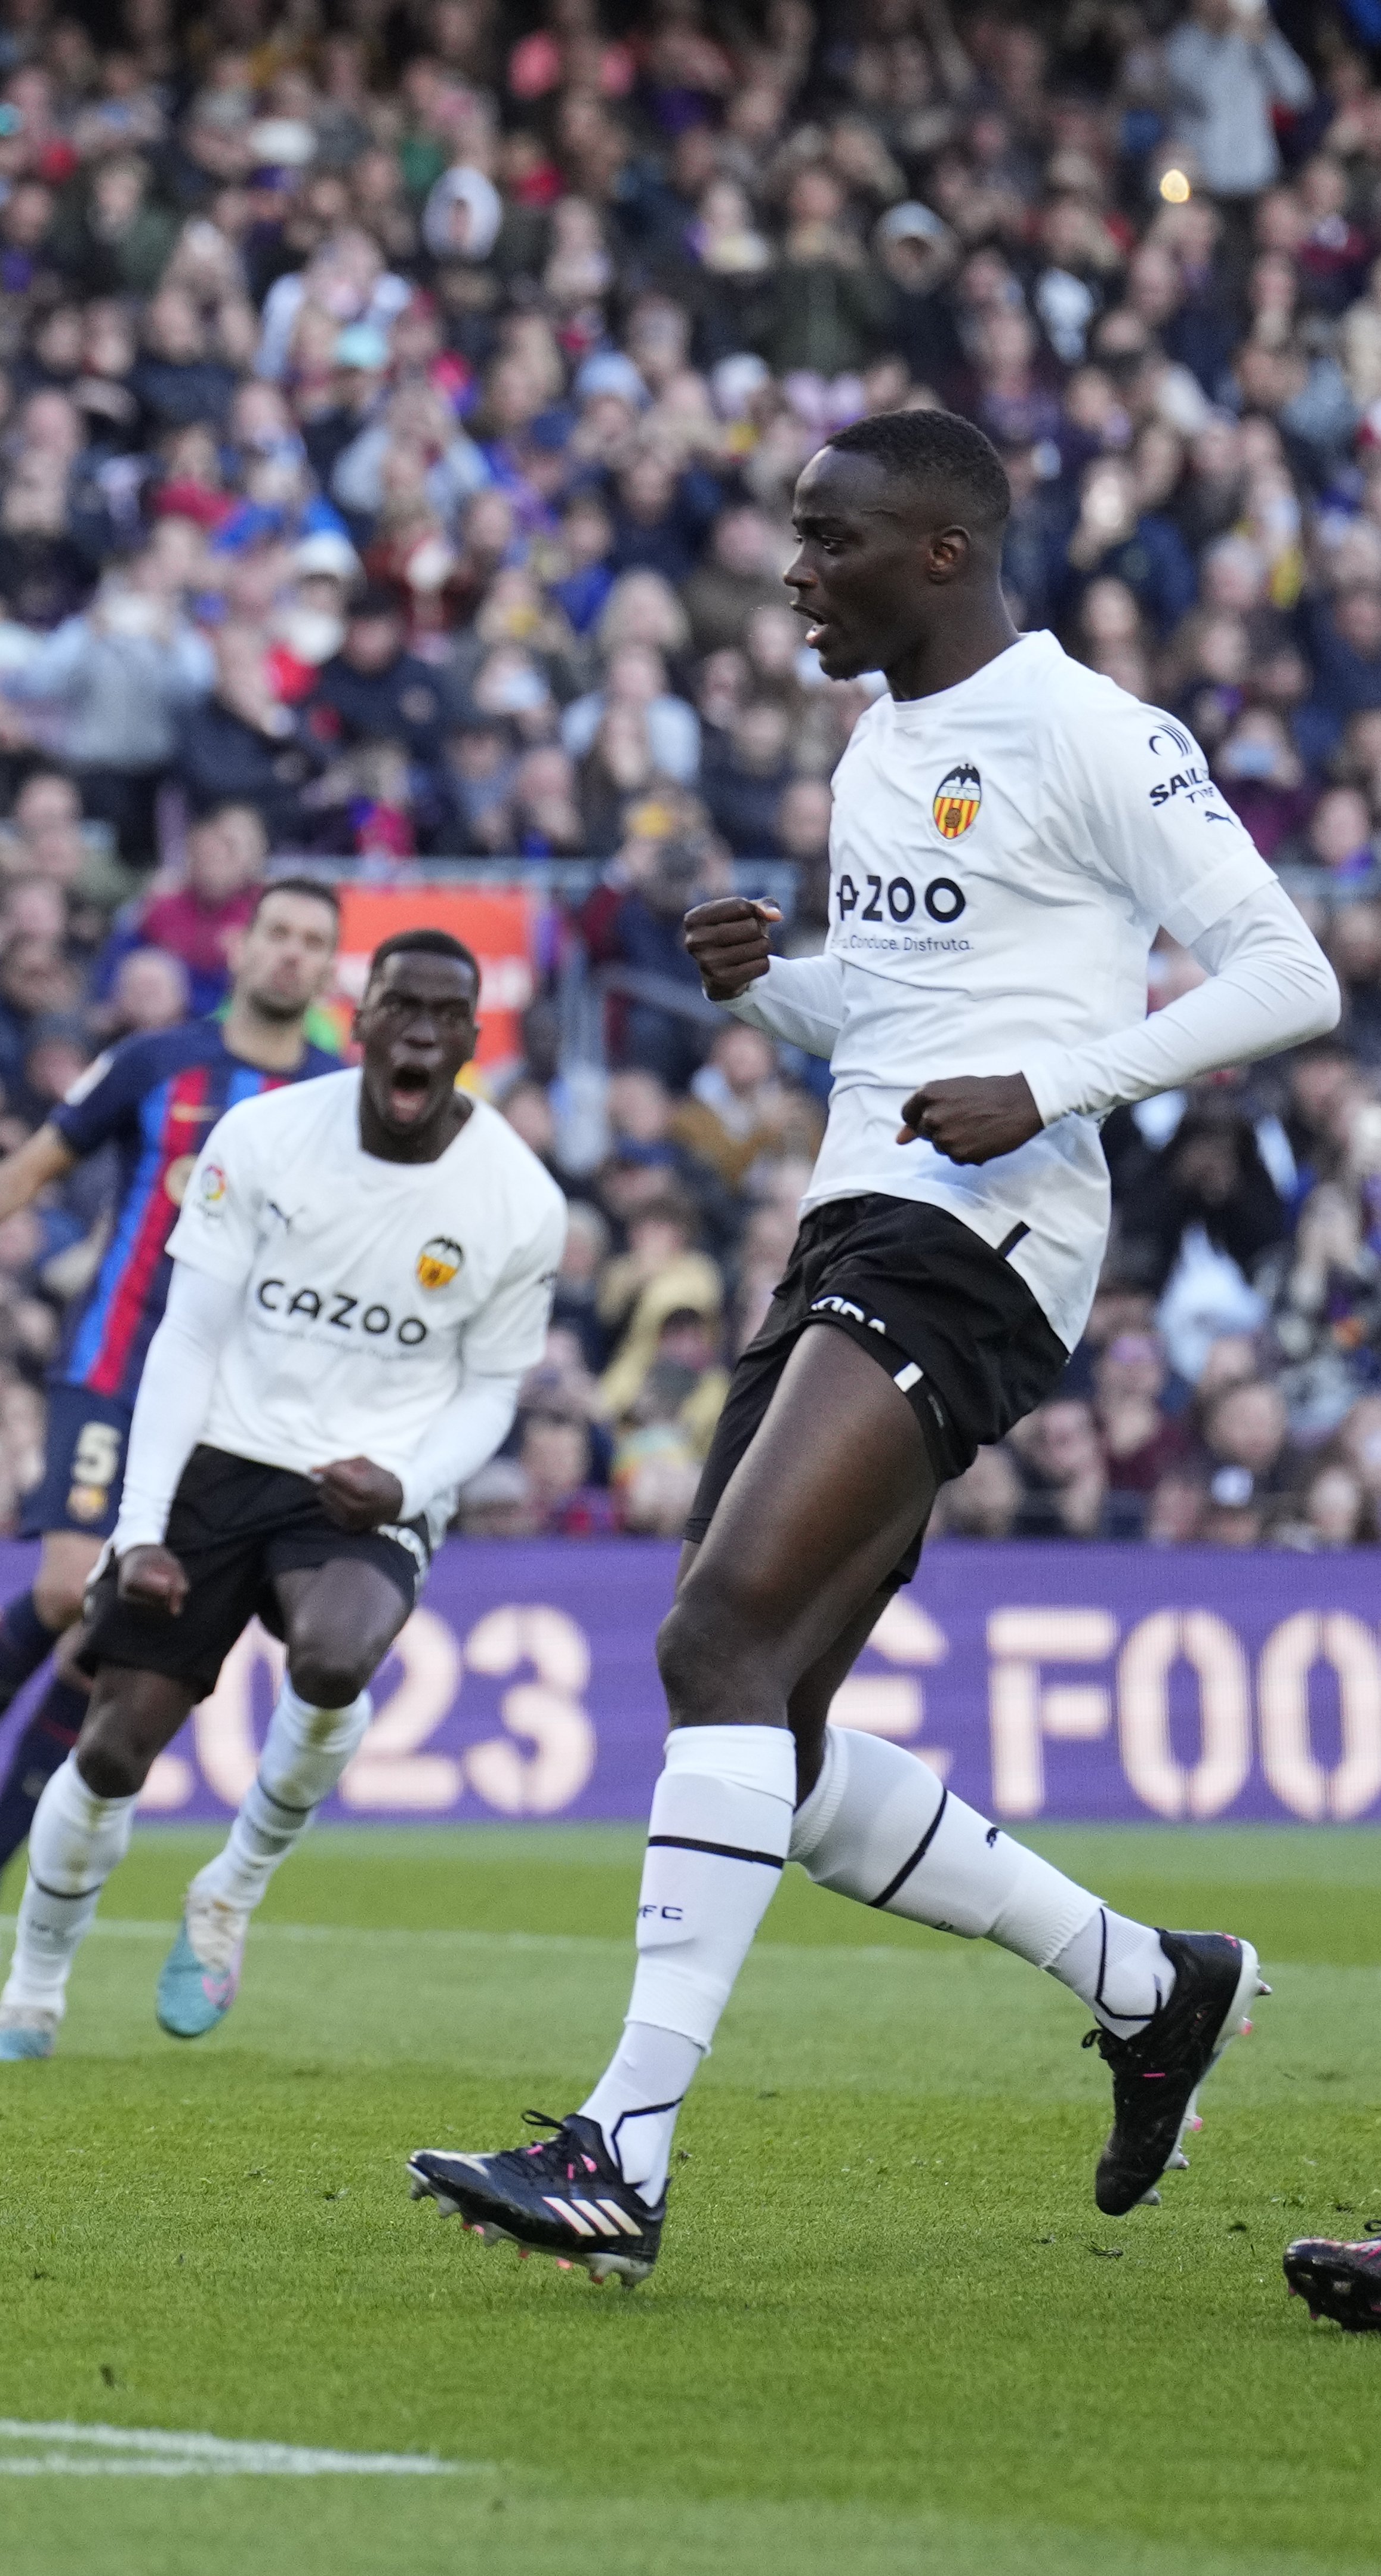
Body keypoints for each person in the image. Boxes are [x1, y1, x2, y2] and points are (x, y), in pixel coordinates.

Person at [409, 411, 1342, 2286]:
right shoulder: (877, 747)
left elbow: (1289, 971)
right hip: (859, 1217)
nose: (791, 572)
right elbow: (895, 1037)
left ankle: (622, 2149)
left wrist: (1055, 1081)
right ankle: (1148, 1982)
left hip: (981, 1242)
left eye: (828, 539)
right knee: (770, 1710)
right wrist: (776, 990)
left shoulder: (1091, 729)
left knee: (710, 1635)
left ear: (941, 550)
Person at [0, 930, 565, 2066]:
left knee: (336, 1659)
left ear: (474, 1039)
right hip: (220, 1456)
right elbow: (186, 1337)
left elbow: (489, 1395)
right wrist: (138, 1528)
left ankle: (230, 1889)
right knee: (114, 1749)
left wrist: (408, 1483)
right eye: (401, 1007)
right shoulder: (266, 1137)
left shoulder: (520, 1201)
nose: (422, 1032)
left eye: (447, 1014)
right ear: (362, 1019)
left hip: (371, 1477)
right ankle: (30, 1999)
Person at [0, 880, 344, 1962]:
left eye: (313, 943)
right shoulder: (156, 1063)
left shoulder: (336, 1097)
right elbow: (47, 1154)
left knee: (105, 1644)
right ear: (242, 947)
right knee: (63, 1585)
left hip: (232, 1407)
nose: (291, 954)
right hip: (117, 1366)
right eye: (277, 932)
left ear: (330, 969)